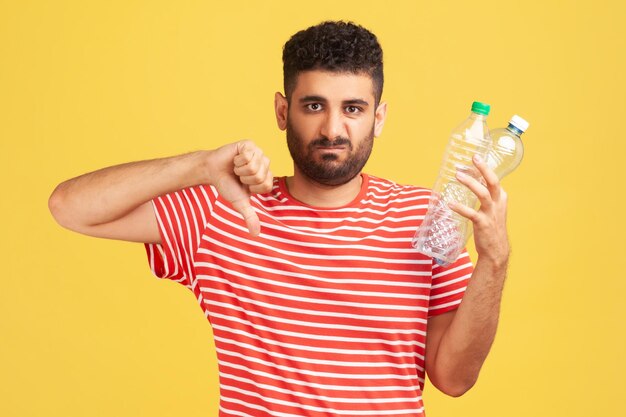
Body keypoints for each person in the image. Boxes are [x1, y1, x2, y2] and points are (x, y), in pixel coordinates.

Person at [49, 20, 510, 417]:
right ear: (282, 111)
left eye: (353, 108)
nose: (333, 129)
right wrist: (201, 165)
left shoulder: (425, 216)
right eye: (314, 106)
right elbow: (68, 207)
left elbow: (453, 379)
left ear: (379, 117)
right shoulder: (222, 208)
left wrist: (494, 261)